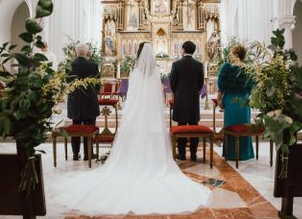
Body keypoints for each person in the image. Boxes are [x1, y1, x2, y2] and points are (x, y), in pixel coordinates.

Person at [53, 42, 212, 215]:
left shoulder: (135, 70)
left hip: (136, 115)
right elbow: (166, 92)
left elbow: (133, 95)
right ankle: (160, 159)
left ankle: (83, 153)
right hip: (152, 115)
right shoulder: (156, 72)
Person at [217, 45, 255, 160]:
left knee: (231, 125)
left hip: (230, 100)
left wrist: (219, 99)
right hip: (244, 100)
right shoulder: (249, 69)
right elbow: (251, 87)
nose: (230, 55)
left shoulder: (226, 68)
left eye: (232, 53)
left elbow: (221, 86)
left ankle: (231, 153)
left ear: (237, 55)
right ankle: (245, 153)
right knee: (243, 124)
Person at [170, 41, 204, 161]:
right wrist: (194, 91)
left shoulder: (176, 64)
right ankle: (194, 154)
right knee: (194, 126)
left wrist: (178, 92)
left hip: (180, 99)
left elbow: (172, 83)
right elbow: (201, 84)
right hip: (194, 99)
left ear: (183, 49)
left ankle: (182, 153)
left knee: (181, 126)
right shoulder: (199, 65)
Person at [67, 43, 100, 161]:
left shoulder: (69, 65)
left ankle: (75, 154)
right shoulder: (93, 65)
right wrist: (95, 92)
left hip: (74, 101)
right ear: (87, 52)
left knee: (75, 126)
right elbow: (97, 84)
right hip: (89, 101)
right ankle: (88, 154)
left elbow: (67, 82)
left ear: (76, 52)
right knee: (89, 126)